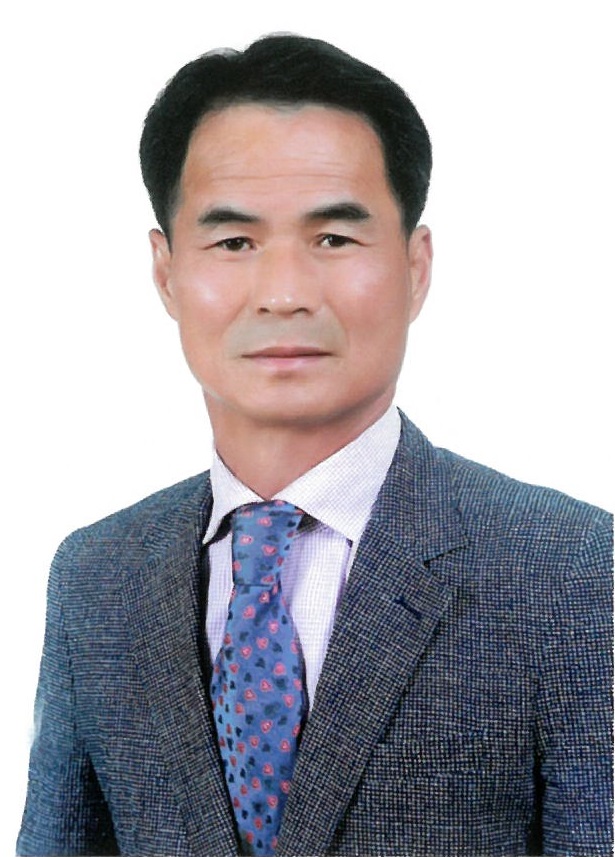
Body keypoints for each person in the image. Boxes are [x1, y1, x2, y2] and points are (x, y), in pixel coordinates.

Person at [17, 34, 612, 857]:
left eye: (333, 238)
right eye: (234, 242)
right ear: (165, 271)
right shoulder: (97, 576)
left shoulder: (571, 569)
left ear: (415, 266)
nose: (285, 293)